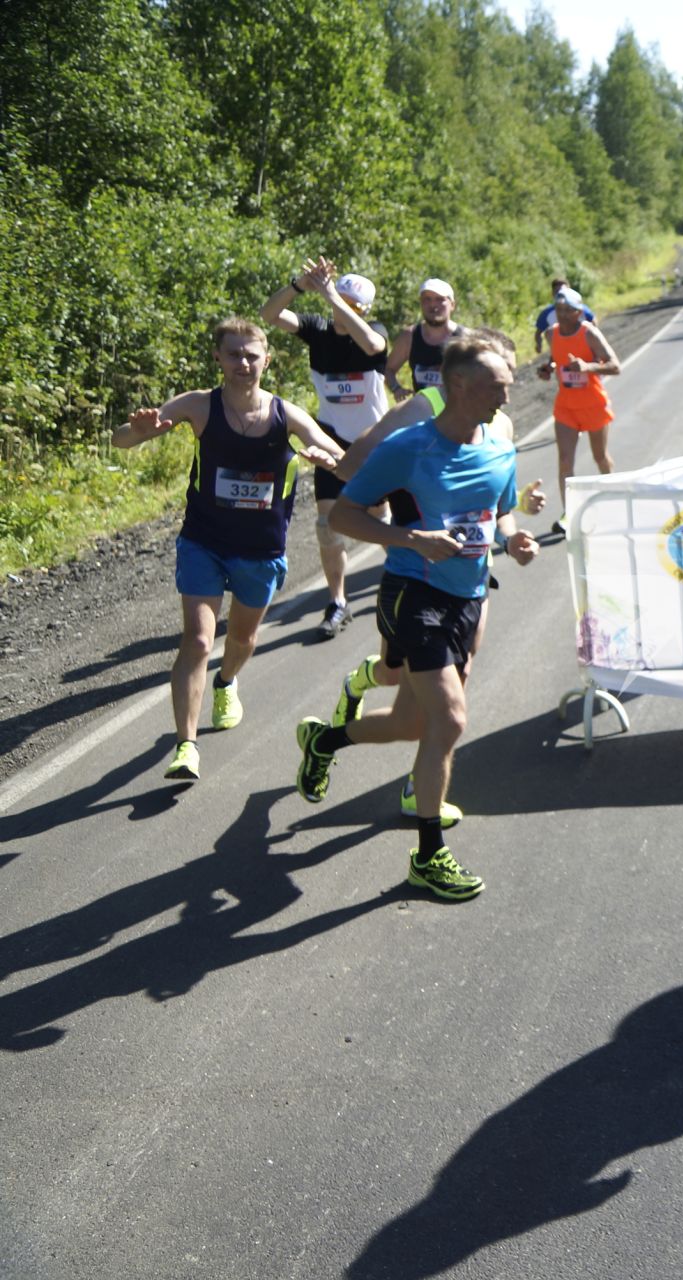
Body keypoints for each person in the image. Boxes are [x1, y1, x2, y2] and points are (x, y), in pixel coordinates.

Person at [294, 334, 538, 901]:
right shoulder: (408, 447)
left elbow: (497, 515)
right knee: (450, 721)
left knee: (414, 724)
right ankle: (428, 856)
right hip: (415, 593)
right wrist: (410, 538)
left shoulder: (502, 446)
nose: (508, 391)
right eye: (498, 383)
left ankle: (325, 741)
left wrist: (515, 538)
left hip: (470, 598)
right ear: (459, 385)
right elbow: (346, 518)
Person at [112, 318, 344, 782]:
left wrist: (325, 456)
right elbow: (122, 439)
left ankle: (226, 681)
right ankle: (186, 746)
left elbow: (333, 449)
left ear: (266, 359)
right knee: (198, 640)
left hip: (260, 550)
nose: (243, 363)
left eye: (251, 354)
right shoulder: (199, 406)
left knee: (240, 640)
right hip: (204, 541)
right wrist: (136, 431)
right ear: (217, 358)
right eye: (233, 354)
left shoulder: (285, 414)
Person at [261, 256, 390, 638]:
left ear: (364, 311)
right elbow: (269, 315)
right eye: (338, 301)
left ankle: (411, 573)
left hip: (373, 442)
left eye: (352, 306)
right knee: (327, 524)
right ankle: (338, 602)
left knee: (380, 518)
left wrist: (332, 294)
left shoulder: (374, 334)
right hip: (331, 440)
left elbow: (371, 342)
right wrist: (299, 286)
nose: (340, 311)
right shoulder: (317, 331)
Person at [539, 286, 621, 533]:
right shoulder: (550, 335)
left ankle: (613, 500)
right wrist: (548, 368)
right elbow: (558, 360)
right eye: (559, 310)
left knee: (600, 457)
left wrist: (587, 367)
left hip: (593, 404)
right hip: (566, 407)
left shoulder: (589, 333)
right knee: (565, 462)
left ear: (578, 313)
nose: (563, 315)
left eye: (568, 311)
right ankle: (569, 515)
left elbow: (615, 366)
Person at [386, 277, 461, 398]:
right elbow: (388, 369)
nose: (433, 305)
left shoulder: (466, 338)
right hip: (422, 412)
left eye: (440, 299)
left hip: (458, 413)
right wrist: (396, 388)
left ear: (452, 305)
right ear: (421, 303)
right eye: (427, 299)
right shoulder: (409, 337)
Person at [534, 277, 595, 357]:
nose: (561, 294)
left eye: (563, 291)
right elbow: (538, 332)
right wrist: (539, 345)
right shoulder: (547, 313)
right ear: (552, 294)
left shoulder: (580, 309)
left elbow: (593, 322)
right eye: (557, 292)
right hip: (561, 353)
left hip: (584, 350)